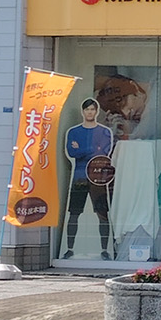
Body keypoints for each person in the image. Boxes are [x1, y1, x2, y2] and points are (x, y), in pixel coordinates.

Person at [62, 98, 114, 259]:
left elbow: (103, 153)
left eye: (92, 109)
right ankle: (69, 249)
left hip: (98, 178)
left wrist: (83, 149)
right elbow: (72, 152)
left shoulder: (105, 131)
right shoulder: (73, 131)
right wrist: (92, 149)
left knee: (102, 213)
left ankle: (105, 250)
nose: (90, 112)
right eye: (87, 109)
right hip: (79, 177)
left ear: (97, 111)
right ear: (82, 111)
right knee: (74, 213)